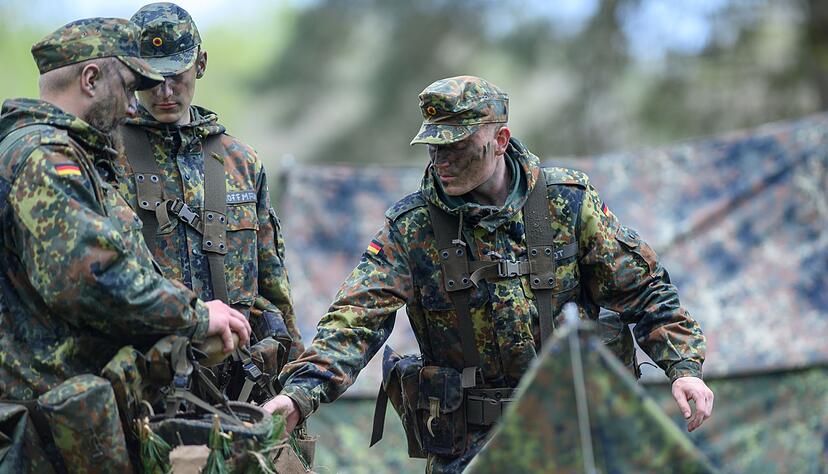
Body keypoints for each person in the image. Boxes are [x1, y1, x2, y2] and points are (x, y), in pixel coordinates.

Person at [267, 75, 714, 472]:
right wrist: (299, 393)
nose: (442, 161)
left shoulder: (567, 203)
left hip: (574, 433)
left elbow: (645, 290)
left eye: (457, 146)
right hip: (466, 448)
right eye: (434, 147)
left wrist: (684, 367)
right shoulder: (412, 227)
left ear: (500, 139)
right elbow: (355, 319)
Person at [0, 17, 251, 468]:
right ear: (92, 79)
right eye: (130, 87)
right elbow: (91, 278)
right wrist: (195, 315)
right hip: (42, 435)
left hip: (59, 423)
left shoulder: (51, 152)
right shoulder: (45, 159)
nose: (136, 108)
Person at [113, 3, 303, 380]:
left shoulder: (241, 162)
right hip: (146, 383)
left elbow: (273, 284)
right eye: (151, 78)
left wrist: (293, 378)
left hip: (239, 383)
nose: (165, 91)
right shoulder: (106, 157)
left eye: (176, 76)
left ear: (200, 64)